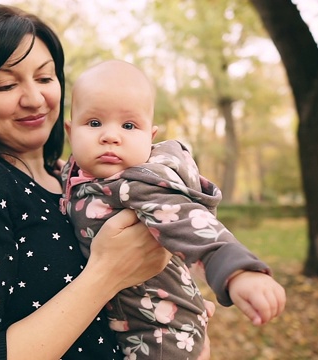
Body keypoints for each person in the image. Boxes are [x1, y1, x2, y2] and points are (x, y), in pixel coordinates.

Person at [0, 5, 215, 360]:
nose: (35, 99)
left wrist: (183, 324)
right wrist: (105, 275)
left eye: (44, 78)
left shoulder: (69, 179)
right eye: (6, 84)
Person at [61, 59, 286, 359]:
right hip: (126, 322)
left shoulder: (139, 186)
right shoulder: (74, 175)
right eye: (94, 123)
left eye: (129, 126)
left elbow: (191, 224)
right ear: (70, 131)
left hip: (163, 330)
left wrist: (238, 272)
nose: (110, 136)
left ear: (150, 137)